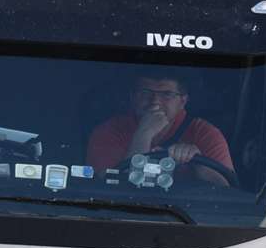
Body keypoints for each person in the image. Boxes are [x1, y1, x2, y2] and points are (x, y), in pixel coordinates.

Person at [86, 73, 234, 187]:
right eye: (146, 92)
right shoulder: (109, 131)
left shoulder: (204, 133)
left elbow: (227, 189)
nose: (155, 102)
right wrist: (143, 135)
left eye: (167, 94)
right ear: (133, 97)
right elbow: (109, 188)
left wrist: (198, 164)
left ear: (183, 101)